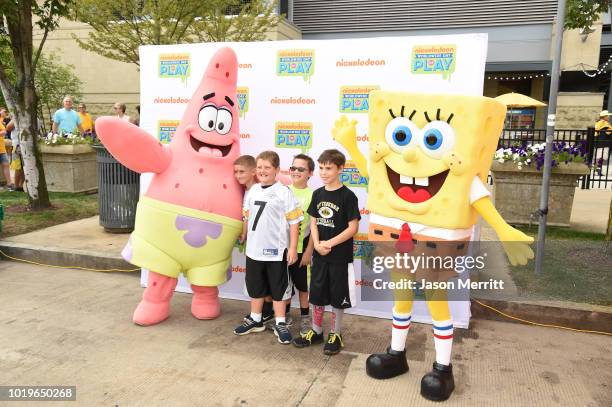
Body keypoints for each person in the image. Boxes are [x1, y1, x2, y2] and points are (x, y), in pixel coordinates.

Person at [293, 149, 360, 355]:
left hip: (339, 256)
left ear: (340, 169)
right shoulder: (318, 193)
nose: (323, 172)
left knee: (338, 295)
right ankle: (316, 330)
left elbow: (353, 228)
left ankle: (336, 333)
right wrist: (317, 243)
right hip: (319, 255)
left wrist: (329, 243)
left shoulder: (348, 196)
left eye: (328, 168)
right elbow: (313, 221)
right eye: (321, 168)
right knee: (318, 293)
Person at [233, 151, 302, 345]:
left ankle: (280, 322)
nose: (263, 171)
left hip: (275, 251)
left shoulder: (284, 192)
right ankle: (256, 319)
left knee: (278, 289)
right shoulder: (253, 190)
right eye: (260, 167)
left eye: (267, 167)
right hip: (254, 249)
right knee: (256, 287)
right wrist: (244, 233)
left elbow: (294, 222)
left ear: (277, 170)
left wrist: (293, 248)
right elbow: (247, 216)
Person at [234, 154, 275, 324]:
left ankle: (267, 311)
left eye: (241, 171)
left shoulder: (261, 189)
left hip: (266, 243)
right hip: (252, 243)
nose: (238, 176)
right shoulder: (247, 191)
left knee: (264, 278)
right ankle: (261, 312)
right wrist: (244, 233)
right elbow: (246, 216)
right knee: (257, 279)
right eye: (235, 172)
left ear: (253, 171)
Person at [287, 154, 315, 335]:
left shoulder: (314, 195)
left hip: (302, 248)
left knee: (303, 287)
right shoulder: (283, 191)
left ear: (310, 173)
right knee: (285, 285)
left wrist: (308, 252)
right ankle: (285, 316)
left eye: (301, 169)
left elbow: (314, 228)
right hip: (283, 249)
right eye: (293, 168)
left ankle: (306, 318)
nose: (296, 172)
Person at [0, 108, 12, 188]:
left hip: (1, 148)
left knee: (6, 164)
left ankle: (9, 183)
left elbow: (4, 131)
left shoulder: (0, 122)